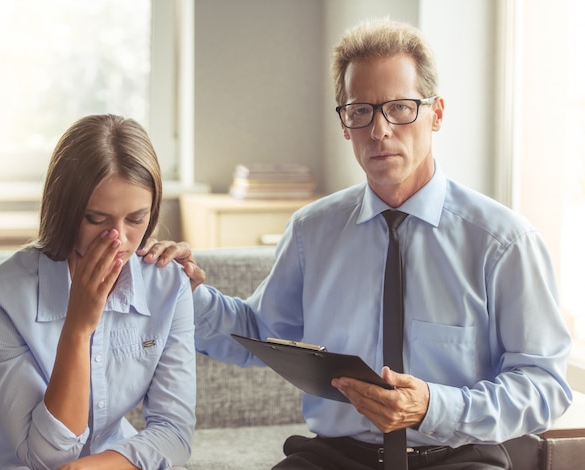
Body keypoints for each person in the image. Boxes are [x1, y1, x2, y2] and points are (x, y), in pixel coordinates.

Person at [142, 17, 573, 470]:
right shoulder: (312, 231)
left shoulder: (503, 242)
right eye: (361, 111)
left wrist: (432, 406)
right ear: (345, 124)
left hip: (457, 455)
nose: (380, 130)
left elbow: (543, 385)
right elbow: (261, 331)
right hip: (335, 457)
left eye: (401, 108)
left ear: (437, 113)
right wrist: (186, 295)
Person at [0, 114, 196, 470]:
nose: (117, 240)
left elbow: (174, 432)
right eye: (96, 219)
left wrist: (90, 467)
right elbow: (47, 456)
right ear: (65, 210)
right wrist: (79, 326)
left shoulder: (169, 285)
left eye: (135, 219)